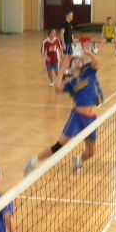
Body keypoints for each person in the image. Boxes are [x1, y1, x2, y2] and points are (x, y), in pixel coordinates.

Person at [25, 44, 103, 175]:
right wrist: (62, 69)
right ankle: (33, 161)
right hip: (77, 118)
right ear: (70, 67)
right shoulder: (71, 83)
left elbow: (97, 63)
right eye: (74, 61)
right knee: (59, 146)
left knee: (91, 152)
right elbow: (57, 88)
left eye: (79, 60)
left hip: (91, 119)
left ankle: (79, 159)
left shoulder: (89, 72)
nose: (77, 61)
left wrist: (88, 52)